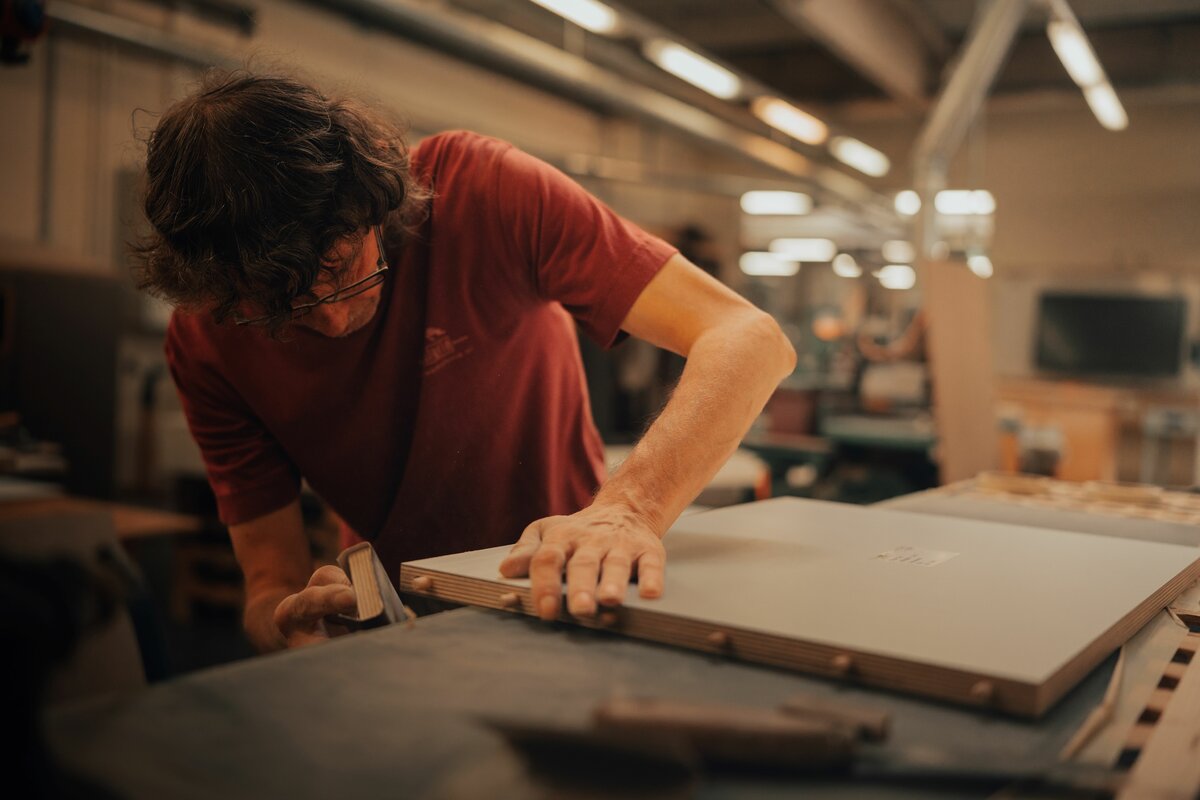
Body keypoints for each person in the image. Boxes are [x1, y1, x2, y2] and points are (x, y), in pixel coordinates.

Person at [135, 70, 795, 652]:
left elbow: (749, 337)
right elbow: (269, 585)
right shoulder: (207, 339)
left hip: (577, 579)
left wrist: (629, 509)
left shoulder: (480, 190)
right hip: (402, 621)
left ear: (374, 203)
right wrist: (290, 625)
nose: (332, 319)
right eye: (284, 310)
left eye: (345, 273)